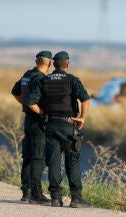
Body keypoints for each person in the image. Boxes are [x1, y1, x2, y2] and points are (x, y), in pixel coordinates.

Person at [26, 51, 92, 208]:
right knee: (72, 162)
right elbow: (85, 99)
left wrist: (43, 113)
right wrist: (82, 117)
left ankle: (56, 198)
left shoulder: (44, 80)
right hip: (69, 126)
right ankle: (76, 198)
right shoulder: (72, 80)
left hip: (50, 125)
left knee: (54, 162)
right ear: (67, 65)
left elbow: (30, 102)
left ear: (53, 64)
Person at [11, 51, 52, 203]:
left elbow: (15, 92)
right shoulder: (41, 79)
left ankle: (26, 191)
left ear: (36, 62)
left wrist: (25, 104)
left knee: (27, 156)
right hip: (37, 122)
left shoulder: (27, 75)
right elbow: (30, 101)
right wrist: (40, 111)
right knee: (38, 157)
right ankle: (36, 194)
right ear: (50, 64)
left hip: (28, 120)